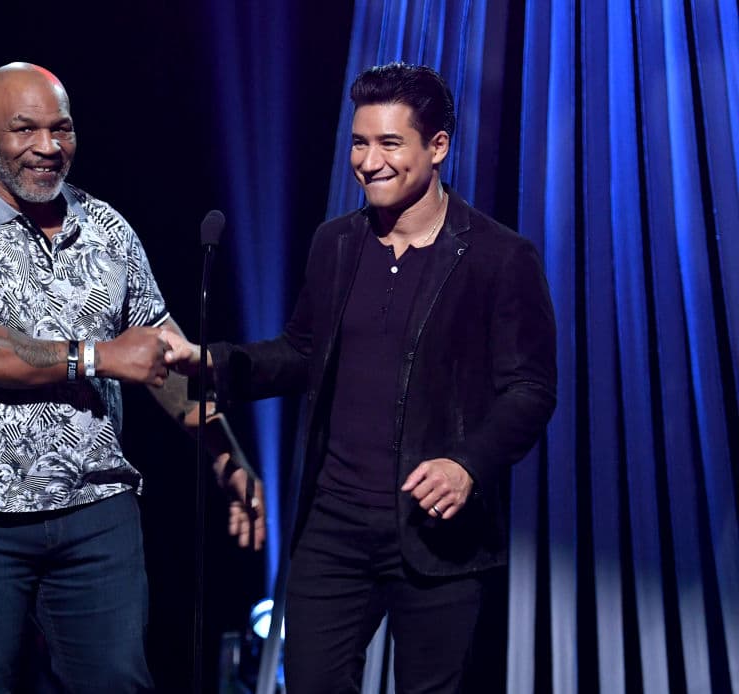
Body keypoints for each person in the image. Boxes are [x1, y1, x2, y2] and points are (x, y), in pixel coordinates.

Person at [165, 62, 556, 693]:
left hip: (437, 532)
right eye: (359, 142)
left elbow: (531, 389)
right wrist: (217, 363)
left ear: (437, 147)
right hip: (334, 527)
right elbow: (302, 351)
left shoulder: (499, 256)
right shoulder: (336, 243)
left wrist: (468, 464)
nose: (368, 162)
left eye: (389, 143)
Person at [0, 62, 265, 694]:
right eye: (24, 130)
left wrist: (229, 459)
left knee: (119, 682)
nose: (47, 147)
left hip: (95, 507)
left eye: (60, 129)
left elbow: (161, 358)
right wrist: (97, 357)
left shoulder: (105, 226)